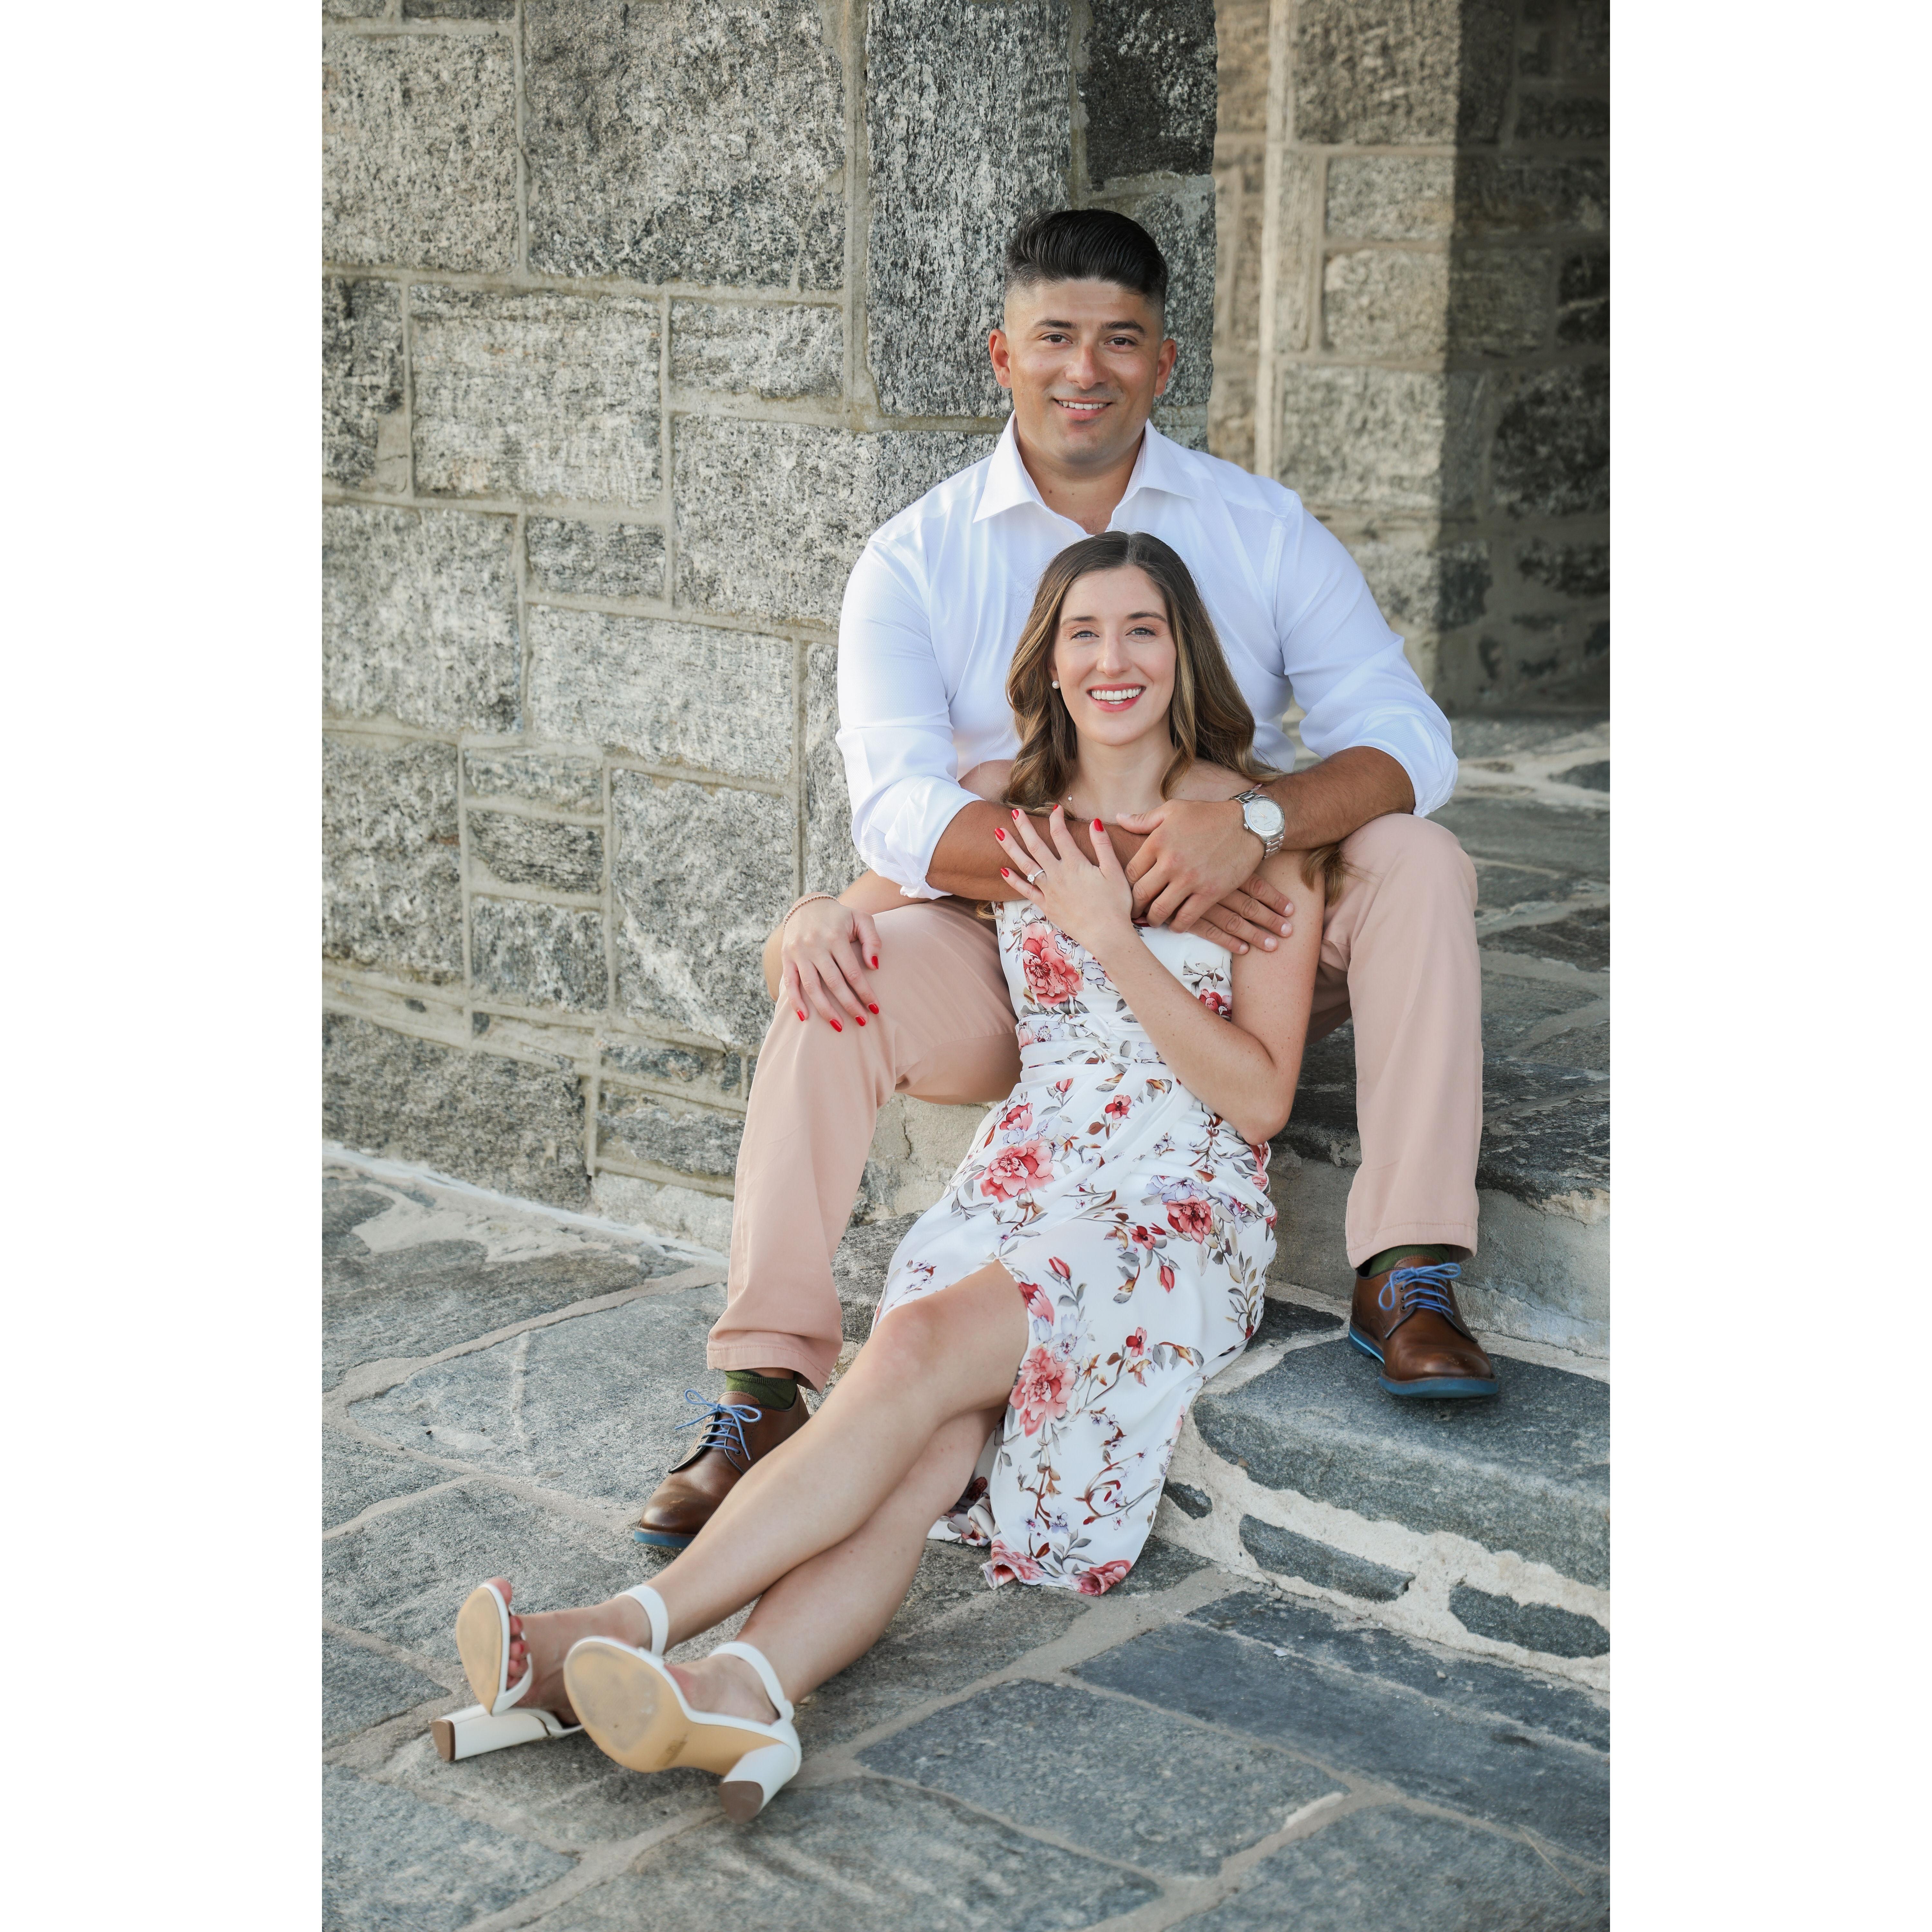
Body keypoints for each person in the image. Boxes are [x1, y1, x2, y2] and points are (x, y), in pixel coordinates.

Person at [631, 206, 1493, 1558]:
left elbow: (1412, 742)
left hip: (1240, 931)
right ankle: (764, 1386)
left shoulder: (1259, 529)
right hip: (1015, 953)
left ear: (1164, 363)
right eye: (1054, 339)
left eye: (1120, 341)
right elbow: (903, 811)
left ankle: (1410, 1265)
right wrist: (1124, 870)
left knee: (1421, 859)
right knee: (833, 978)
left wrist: (1256, 821)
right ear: (1003, 356)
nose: (1084, 370)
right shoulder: (915, 557)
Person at [446, 532, 1329, 1814]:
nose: (1114, 658)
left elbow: (1259, 1098)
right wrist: (811, 916)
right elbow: (837, 925)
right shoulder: (1006, 810)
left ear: (1183, 650)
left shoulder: (1251, 835)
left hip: (1173, 1203)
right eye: (1084, 633)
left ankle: (619, 1626)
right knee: (917, 1460)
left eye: (1143, 629)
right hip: (1030, 1174)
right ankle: (746, 1688)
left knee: (910, 1346)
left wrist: (1110, 937)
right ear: (1050, 663)